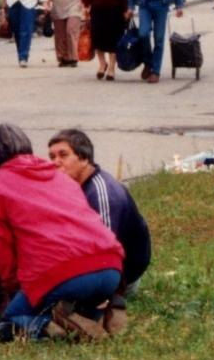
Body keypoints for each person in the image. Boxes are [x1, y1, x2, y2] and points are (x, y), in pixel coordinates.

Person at [0, 124, 124, 342]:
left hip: (62, 274)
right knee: (69, 295)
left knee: (11, 320)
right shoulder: (61, 177)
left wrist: (13, 286)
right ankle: (96, 316)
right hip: (111, 268)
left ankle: (54, 326)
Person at [47, 128, 151, 331]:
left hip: (118, 278)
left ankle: (89, 314)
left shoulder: (102, 193)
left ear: (84, 158)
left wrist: (109, 299)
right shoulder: (74, 185)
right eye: (51, 156)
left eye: (63, 155)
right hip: (97, 270)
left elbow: (107, 254)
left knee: (43, 299)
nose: (55, 162)